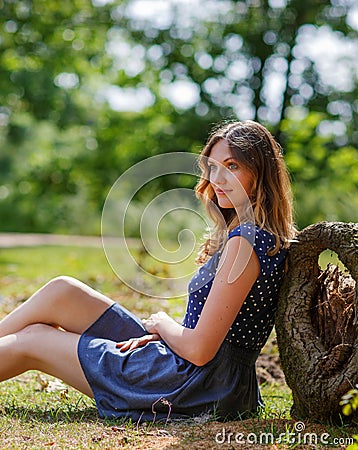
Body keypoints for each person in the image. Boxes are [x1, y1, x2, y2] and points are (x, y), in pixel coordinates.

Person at [0, 120, 296, 422]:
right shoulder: (255, 237)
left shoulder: (246, 242)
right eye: (214, 167)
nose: (218, 178)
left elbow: (200, 350)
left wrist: (162, 324)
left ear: (259, 173)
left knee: (33, 339)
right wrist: (165, 336)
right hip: (203, 374)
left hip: (197, 384)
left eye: (232, 166)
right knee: (62, 291)